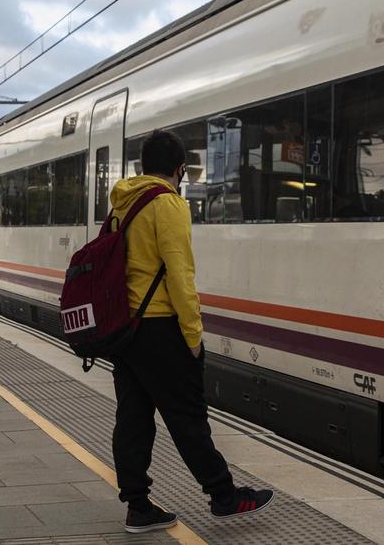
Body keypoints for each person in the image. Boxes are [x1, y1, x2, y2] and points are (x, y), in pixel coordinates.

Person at [108, 131, 273, 534]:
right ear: (181, 168)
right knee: (188, 416)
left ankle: (138, 505)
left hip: (125, 329)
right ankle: (223, 495)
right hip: (162, 327)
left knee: (133, 417)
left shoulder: (122, 203)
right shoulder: (168, 204)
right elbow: (180, 276)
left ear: (142, 167)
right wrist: (193, 336)